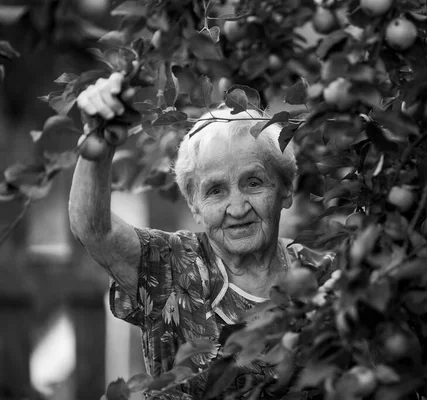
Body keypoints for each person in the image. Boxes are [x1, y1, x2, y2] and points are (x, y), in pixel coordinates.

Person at [69, 72, 334, 397]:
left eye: (253, 182)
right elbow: (94, 229)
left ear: (286, 190)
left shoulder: (326, 277)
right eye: (216, 191)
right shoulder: (168, 264)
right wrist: (99, 138)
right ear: (194, 206)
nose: (237, 208)